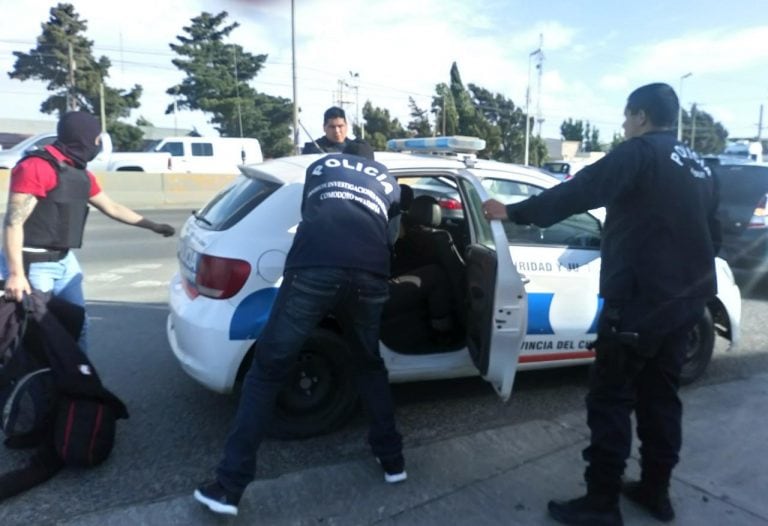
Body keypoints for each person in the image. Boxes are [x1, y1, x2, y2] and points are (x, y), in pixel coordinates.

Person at [483, 83, 719, 526]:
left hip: (638, 304)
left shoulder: (639, 153)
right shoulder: (701, 167)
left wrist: (514, 213)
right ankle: (656, 491)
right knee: (661, 400)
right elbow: (714, 234)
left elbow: (577, 191)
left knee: (610, 400)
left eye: (628, 117)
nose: (626, 125)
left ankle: (601, 503)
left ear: (642, 116)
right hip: (685, 304)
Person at [194, 141, 405, 517]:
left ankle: (228, 488)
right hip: (370, 275)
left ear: (345, 157)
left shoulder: (322, 167)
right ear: (372, 163)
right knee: (369, 366)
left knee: (268, 371)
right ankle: (393, 463)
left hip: (315, 268)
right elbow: (391, 236)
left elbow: (313, 213)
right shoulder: (389, 181)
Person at [1, 111, 175, 351]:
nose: (98, 145)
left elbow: (111, 207)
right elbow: (13, 222)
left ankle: (79, 382)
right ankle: (41, 385)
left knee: (77, 324)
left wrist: (153, 226)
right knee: (38, 334)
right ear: (81, 137)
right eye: (96, 139)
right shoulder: (36, 167)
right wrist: (15, 273)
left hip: (64, 261)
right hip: (33, 263)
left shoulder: (79, 172)